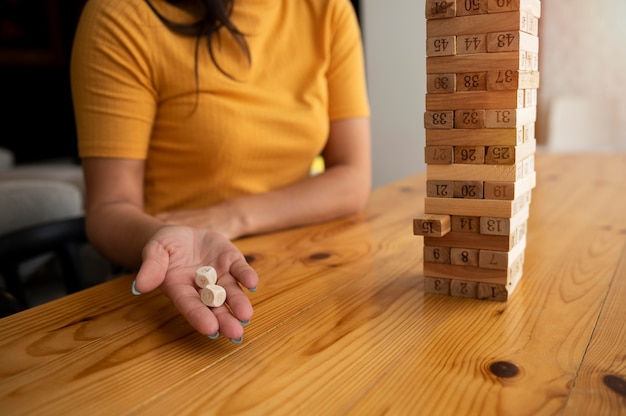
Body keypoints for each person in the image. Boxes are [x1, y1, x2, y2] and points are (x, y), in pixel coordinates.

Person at [70, 0, 371, 344]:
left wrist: (232, 217)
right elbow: (108, 210)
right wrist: (167, 238)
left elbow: (353, 178)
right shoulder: (122, 15)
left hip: (297, 266)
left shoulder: (328, 9)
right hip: (174, 280)